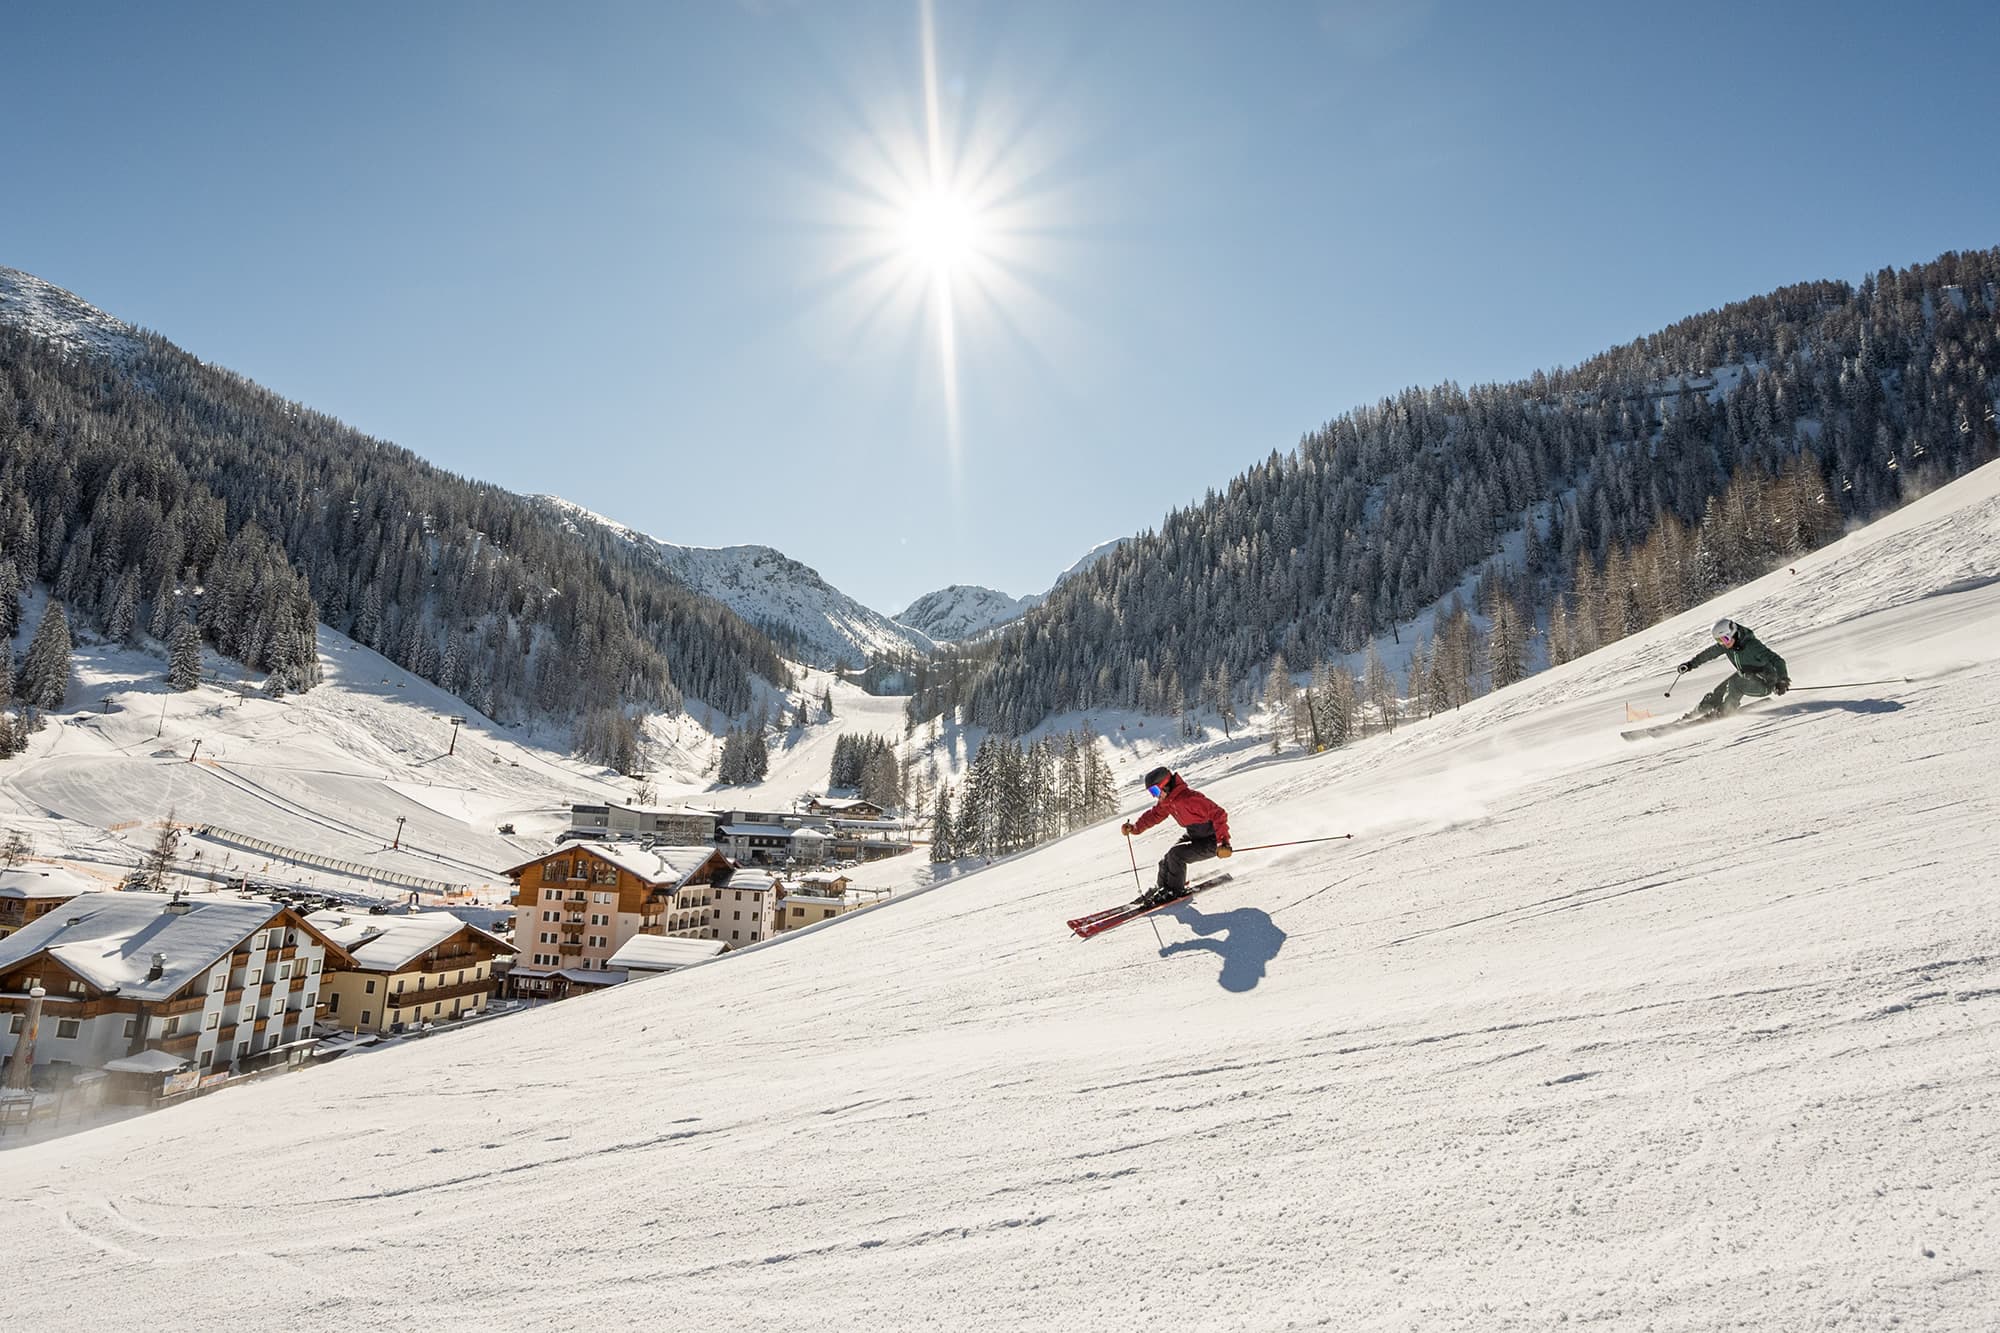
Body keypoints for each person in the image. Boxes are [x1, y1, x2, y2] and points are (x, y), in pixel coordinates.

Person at [1121, 766, 1232, 907]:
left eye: (1155, 790)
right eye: (1151, 792)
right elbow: (1154, 815)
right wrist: (1135, 828)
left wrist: (1223, 842)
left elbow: (1219, 814)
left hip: (1212, 841)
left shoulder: (1189, 798)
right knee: (1166, 859)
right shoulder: (1168, 801)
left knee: (1176, 855)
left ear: (1165, 785)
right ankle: (1161, 888)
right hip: (1194, 835)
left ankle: (1174, 891)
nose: (1154, 796)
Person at [1677, 617, 1790, 719]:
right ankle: (1697, 713)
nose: (1723, 643)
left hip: (1766, 682)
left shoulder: (1752, 645)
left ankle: (1725, 711)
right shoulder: (1727, 645)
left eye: (1725, 639)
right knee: (1720, 690)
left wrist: (1782, 681)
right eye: (1719, 640)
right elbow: (1708, 654)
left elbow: (1777, 660)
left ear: (1733, 633)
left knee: (1736, 685)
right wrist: (1690, 664)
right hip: (1746, 676)